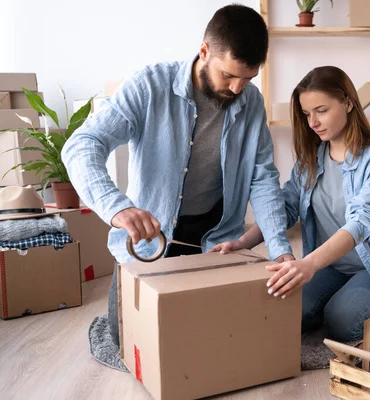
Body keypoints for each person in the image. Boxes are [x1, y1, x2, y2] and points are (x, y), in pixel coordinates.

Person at [61, 4, 294, 346]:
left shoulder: (251, 103)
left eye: (248, 79)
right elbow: (82, 144)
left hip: (216, 240)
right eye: (229, 75)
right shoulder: (148, 85)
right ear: (204, 51)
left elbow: (262, 178)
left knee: (224, 337)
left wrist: (280, 250)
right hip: (149, 240)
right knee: (126, 335)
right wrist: (116, 206)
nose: (237, 88)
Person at [210, 66, 370, 341]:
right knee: (282, 308)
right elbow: (284, 209)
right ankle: (337, 299)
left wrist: (307, 265)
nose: (313, 122)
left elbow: (362, 222)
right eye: (307, 113)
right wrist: (242, 243)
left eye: (321, 111)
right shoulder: (311, 160)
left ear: (348, 103)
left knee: (343, 323)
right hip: (328, 266)